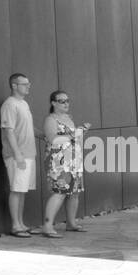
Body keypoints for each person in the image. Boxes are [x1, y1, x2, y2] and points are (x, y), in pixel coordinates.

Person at [42, 90, 91, 237]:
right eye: (62, 101)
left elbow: (73, 139)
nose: (66, 103)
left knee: (74, 193)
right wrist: (77, 133)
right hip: (59, 162)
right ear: (53, 103)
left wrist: (80, 134)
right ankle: (47, 226)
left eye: (67, 100)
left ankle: (71, 223)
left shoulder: (69, 118)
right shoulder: (51, 119)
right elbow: (53, 139)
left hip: (73, 160)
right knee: (60, 192)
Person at [0, 73, 37, 237]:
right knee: (16, 189)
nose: (28, 86)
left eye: (29, 83)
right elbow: (9, 131)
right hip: (17, 155)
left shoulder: (24, 104)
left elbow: (28, 127)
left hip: (28, 153)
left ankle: (21, 223)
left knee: (22, 190)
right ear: (14, 85)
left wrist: (45, 135)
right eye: (24, 84)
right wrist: (18, 155)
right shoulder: (9, 105)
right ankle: (15, 226)